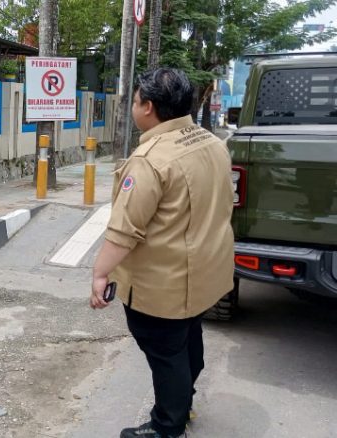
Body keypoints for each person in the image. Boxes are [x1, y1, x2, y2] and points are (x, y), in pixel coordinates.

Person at [90, 68, 235, 438]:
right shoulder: (212, 143)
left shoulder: (150, 159)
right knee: (187, 342)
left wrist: (100, 274)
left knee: (166, 354)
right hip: (205, 275)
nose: (134, 106)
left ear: (149, 107)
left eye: (135, 100)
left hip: (163, 288)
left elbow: (124, 230)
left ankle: (167, 427)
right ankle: (183, 402)